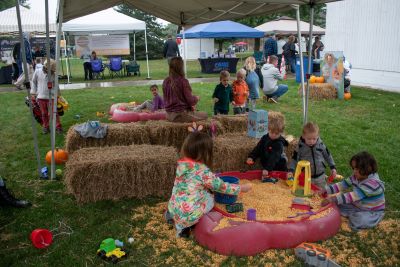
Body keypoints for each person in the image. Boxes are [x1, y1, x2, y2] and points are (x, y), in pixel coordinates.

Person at [166, 132, 252, 237]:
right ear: (206, 153)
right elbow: (221, 187)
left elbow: (194, 181)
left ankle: (172, 216)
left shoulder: (182, 165)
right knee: (210, 198)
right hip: (187, 215)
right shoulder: (202, 171)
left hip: (173, 207)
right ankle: (183, 228)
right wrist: (242, 188)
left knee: (194, 193)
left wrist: (210, 178)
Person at [320, 151, 385, 231]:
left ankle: (364, 217)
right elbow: (343, 184)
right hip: (356, 205)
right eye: (353, 168)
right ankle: (352, 214)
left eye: (357, 169)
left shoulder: (373, 183)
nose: (354, 171)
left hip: (371, 211)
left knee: (359, 220)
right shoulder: (357, 176)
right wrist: (326, 190)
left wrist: (333, 199)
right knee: (334, 206)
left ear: (368, 168)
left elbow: (353, 196)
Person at [288, 122, 336, 189]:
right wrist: (291, 170)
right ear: (304, 136)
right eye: (309, 139)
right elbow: (294, 159)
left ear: (318, 136)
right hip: (306, 177)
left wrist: (332, 167)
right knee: (307, 193)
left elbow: (328, 155)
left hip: (320, 176)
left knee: (321, 192)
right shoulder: (300, 147)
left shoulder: (320, 145)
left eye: (314, 139)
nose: (311, 141)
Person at [162, 57, 207, 122]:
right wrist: (197, 98)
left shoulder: (166, 81)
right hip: (179, 115)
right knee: (205, 115)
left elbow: (166, 99)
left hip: (168, 115)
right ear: (181, 68)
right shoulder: (183, 81)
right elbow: (191, 101)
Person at [246, 112, 288, 177]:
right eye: (272, 132)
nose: (273, 135)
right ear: (268, 129)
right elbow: (258, 148)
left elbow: (274, 157)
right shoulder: (265, 138)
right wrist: (252, 157)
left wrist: (267, 169)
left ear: (281, 132)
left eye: (276, 133)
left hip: (279, 168)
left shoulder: (279, 143)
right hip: (268, 166)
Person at [30, 59, 63, 134]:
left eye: (52, 71)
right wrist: (33, 92)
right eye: (51, 70)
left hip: (51, 97)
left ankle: (58, 127)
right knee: (44, 113)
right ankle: (46, 127)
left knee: (54, 113)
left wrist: (58, 95)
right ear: (45, 68)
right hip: (41, 97)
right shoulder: (37, 72)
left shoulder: (53, 75)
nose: (52, 72)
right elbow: (34, 82)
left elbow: (56, 86)